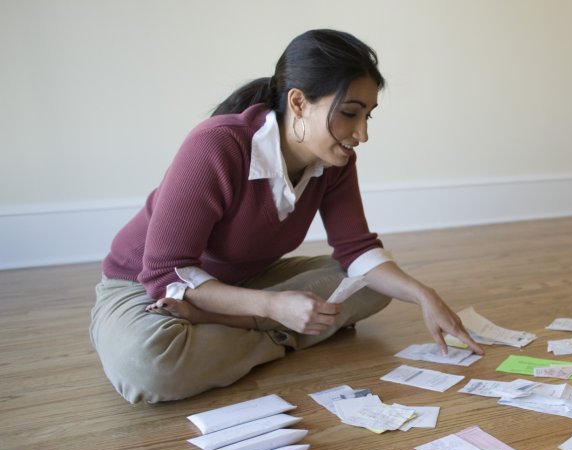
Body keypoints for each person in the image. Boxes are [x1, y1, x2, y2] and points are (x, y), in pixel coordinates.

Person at [91, 29, 482, 404]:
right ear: (298, 103)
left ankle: (229, 322)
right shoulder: (217, 145)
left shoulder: (336, 161)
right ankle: (280, 331)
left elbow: (357, 247)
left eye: (368, 116)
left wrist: (422, 295)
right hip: (145, 286)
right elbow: (167, 273)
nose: (361, 134)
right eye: (349, 113)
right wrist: (274, 308)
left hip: (243, 280)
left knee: (373, 284)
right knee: (148, 365)